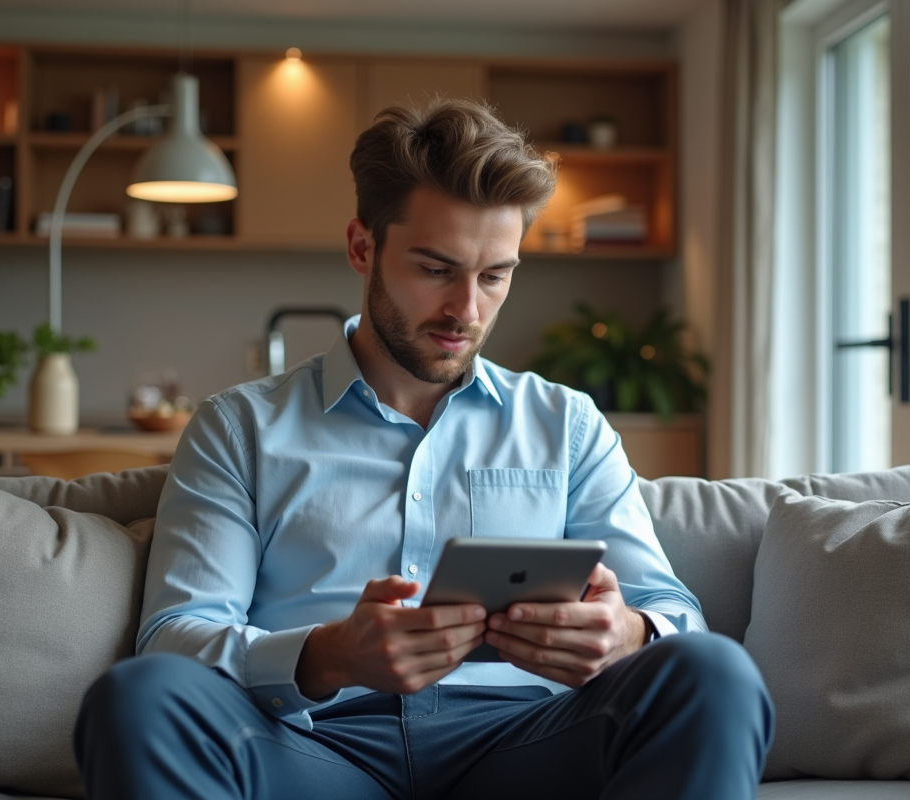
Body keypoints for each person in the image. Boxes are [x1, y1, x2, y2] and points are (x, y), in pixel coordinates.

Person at [75, 99, 773, 800]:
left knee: (713, 674)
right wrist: (327, 655)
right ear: (361, 247)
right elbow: (177, 636)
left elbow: (676, 615)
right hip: (312, 747)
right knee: (142, 696)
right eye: (436, 268)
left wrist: (624, 633)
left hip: (526, 744)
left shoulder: (568, 424)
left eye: (495, 275)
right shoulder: (239, 427)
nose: (466, 310)